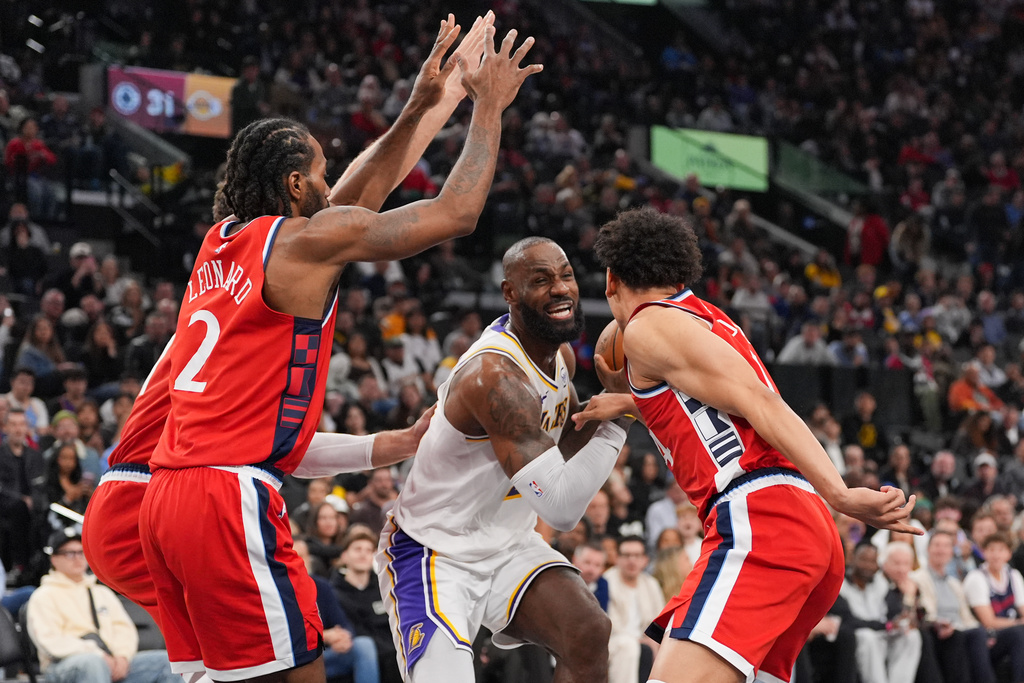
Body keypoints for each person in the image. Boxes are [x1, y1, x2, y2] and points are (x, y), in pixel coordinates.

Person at [136, 18, 540, 683]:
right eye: (319, 171)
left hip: (168, 496)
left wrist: (421, 106)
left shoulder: (225, 241)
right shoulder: (299, 244)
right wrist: (488, 109)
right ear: (296, 187)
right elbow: (454, 213)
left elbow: (360, 191)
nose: (331, 181)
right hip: (227, 496)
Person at [577, 207, 919, 683]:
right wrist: (632, 403)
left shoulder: (646, 327)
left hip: (760, 519)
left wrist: (840, 493)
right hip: (796, 524)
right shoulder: (702, 318)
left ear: (611, 278)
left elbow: (763, 404)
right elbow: (712, 417)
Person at [377, 237, 631, 683]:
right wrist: (624, 413)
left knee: (588, 631)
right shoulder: (494, 376)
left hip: (506, 543)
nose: (560, 289)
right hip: (435, 552)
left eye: (566, 274)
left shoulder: (559, 357)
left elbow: (561, 445)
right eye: (541, 280)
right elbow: (562, 508)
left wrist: (614, 399)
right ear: (509, 293)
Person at [26, 529, 178, 683]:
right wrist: (97, 654)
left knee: (167, 663)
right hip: (64, 665)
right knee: (93, 664)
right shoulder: (43, 596)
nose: (77, 559)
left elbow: (124, 628)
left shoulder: (101, 592)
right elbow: (51, 642)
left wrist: (122, 656)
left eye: (81, 552)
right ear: (54, 559)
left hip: (111, 659)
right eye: (69, 553)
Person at [910, 530, 993, 683]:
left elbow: (966, 617)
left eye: (946, 546)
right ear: (928, 549)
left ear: (951, 552)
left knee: (978, 633)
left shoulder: (954, 583)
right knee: (960, 636)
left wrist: (985, 633)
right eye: (937, 545)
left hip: (958, 629)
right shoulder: (917, 578)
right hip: (936, 630)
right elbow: (926, 613)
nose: (941, 550)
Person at [962, 532, 1024, 680]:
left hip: (1010, 633)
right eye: (991, 549)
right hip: (986, 639)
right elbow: (988, 621)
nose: (996, 555)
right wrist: (1018, 623)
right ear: (984, 553)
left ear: (1009, 554)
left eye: (1001, 549)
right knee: (1018, 633)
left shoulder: (1013, 575)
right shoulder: (976, 577)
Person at [605, 536, 665, 683]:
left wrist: (653, 640)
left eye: (637, 555)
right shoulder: (607, 581)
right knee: (629, 647)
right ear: (617, 558)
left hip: (645, 643)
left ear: (645, 560)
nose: (632, 560)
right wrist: (640, 640)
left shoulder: (650, 584)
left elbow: (661, 620)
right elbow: (610, 625)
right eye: (626, 555)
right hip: (614, 642)